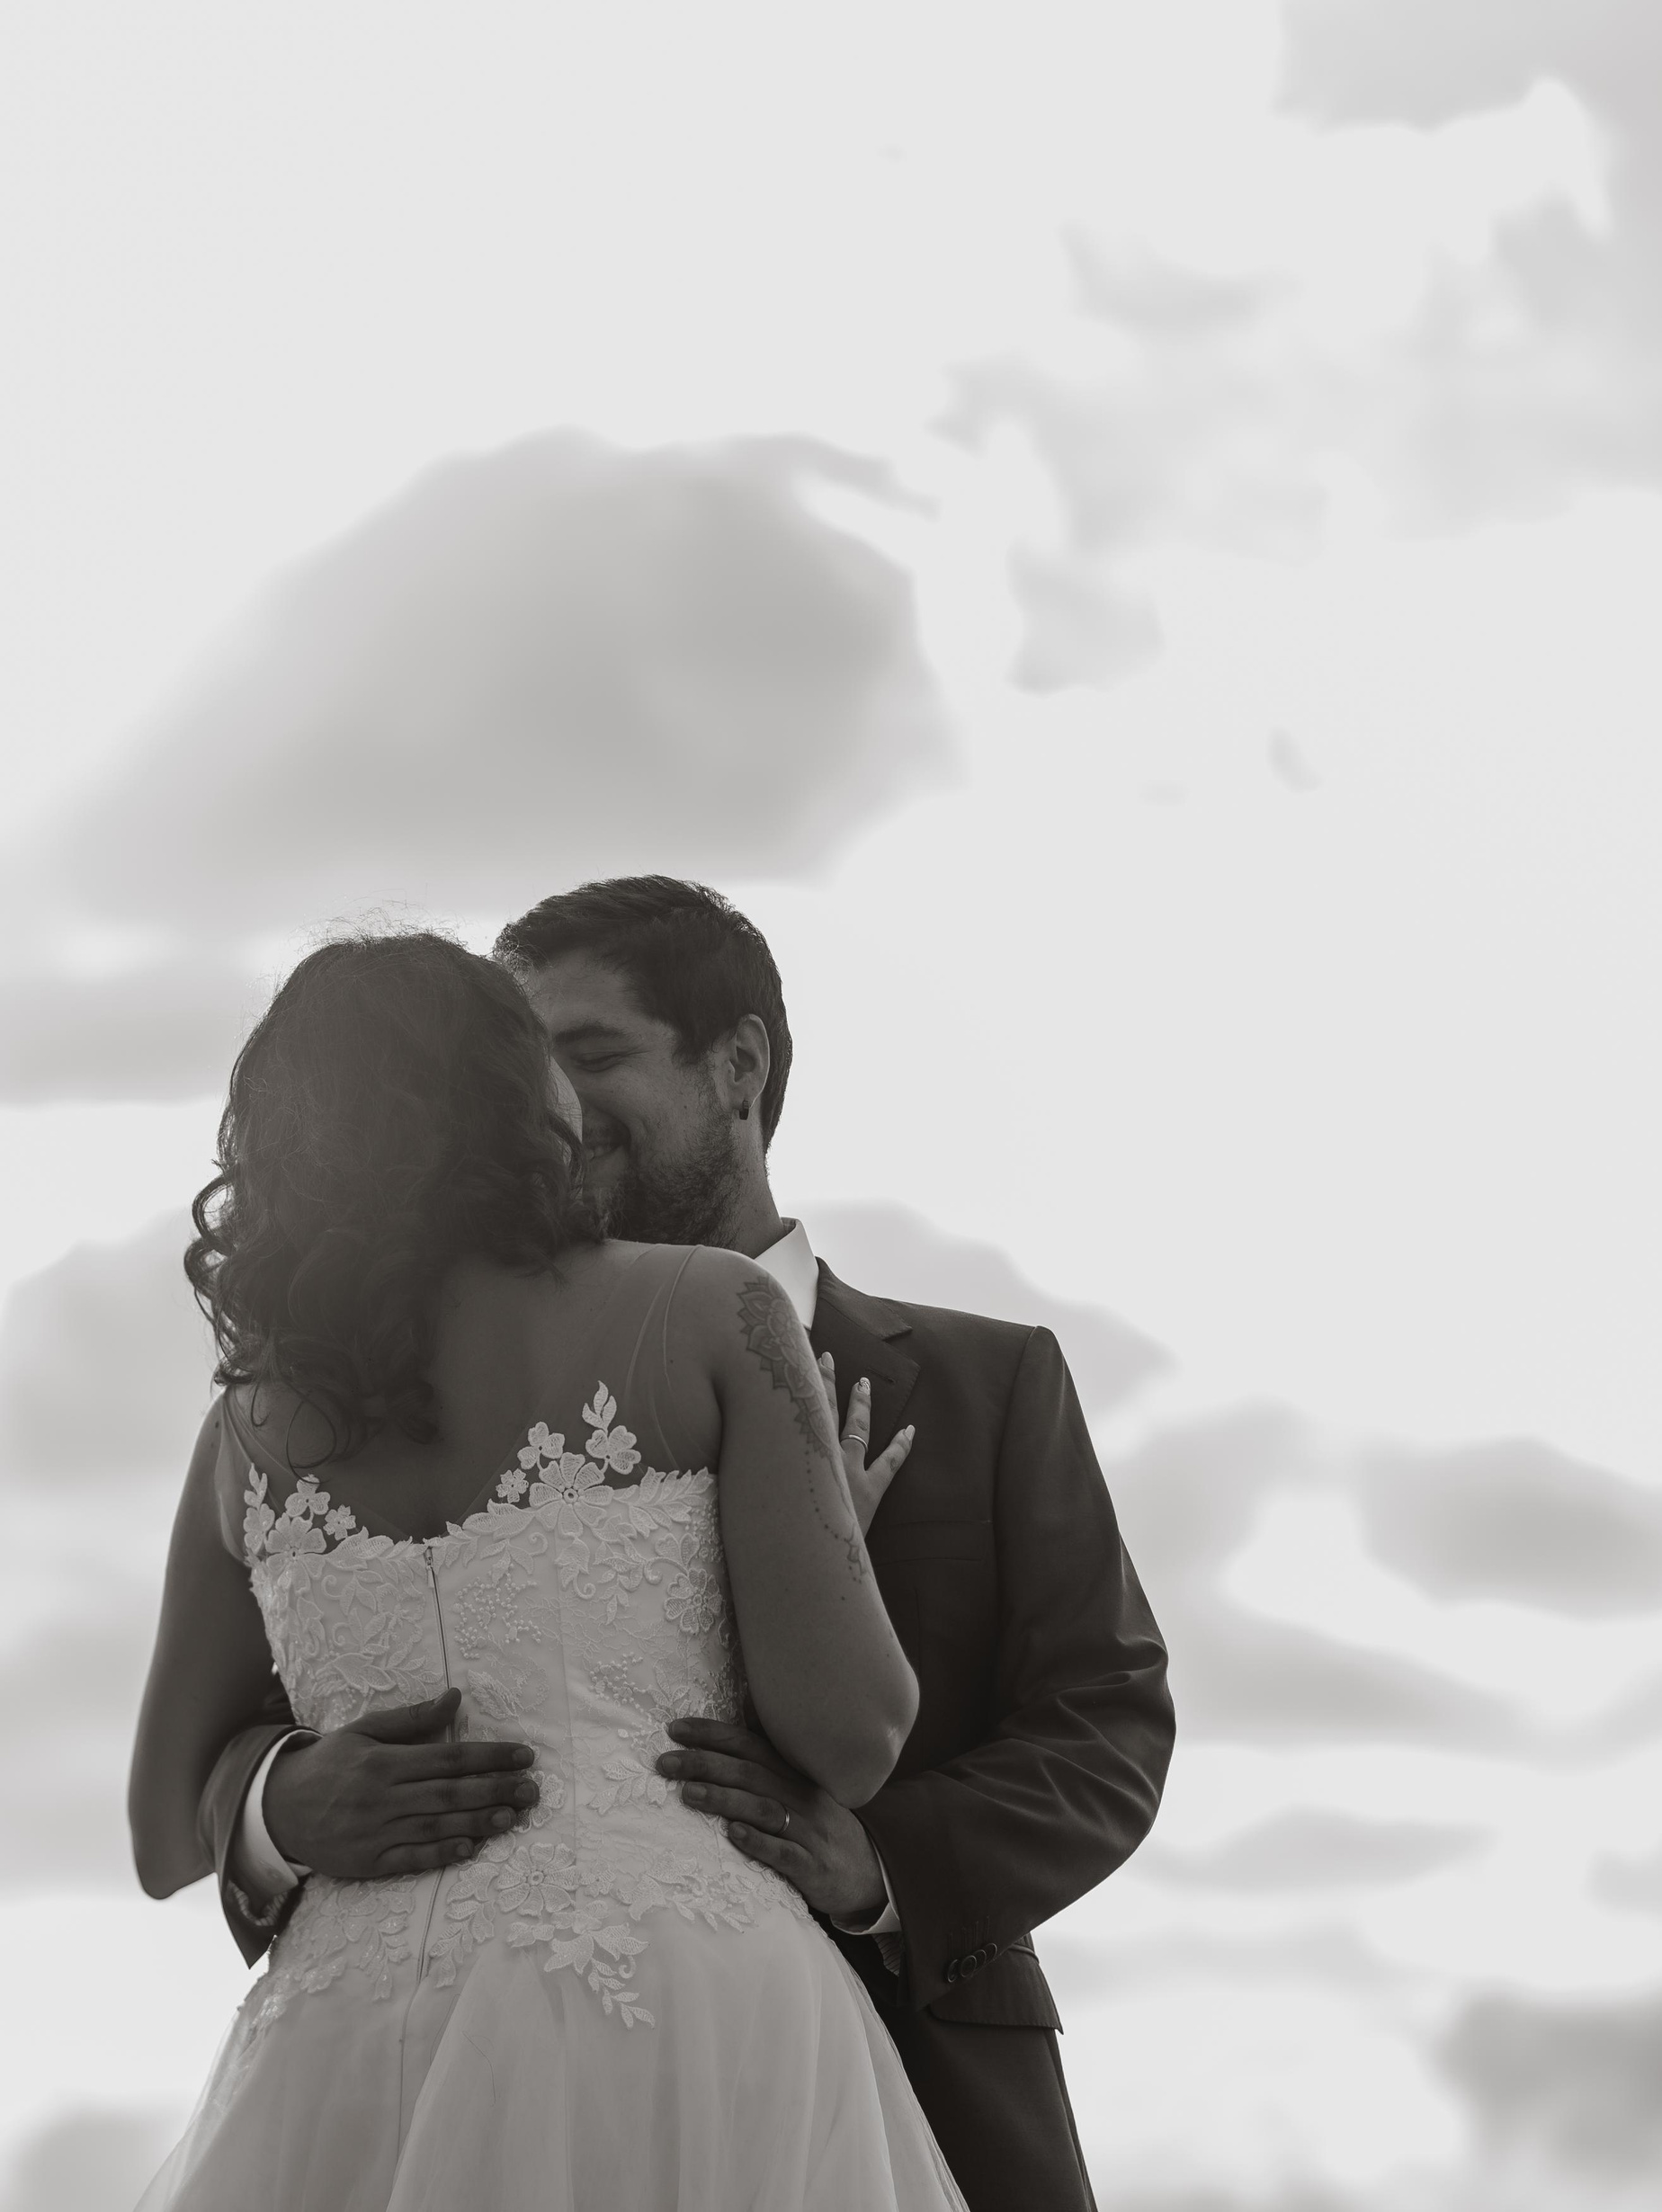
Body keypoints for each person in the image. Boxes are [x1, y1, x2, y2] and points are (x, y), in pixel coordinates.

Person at [189, 879, 1176, 2211]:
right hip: (471, 2098)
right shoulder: (363, 1401)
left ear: (741, 1066)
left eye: (595, 1052)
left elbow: (1106, 1721)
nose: (558, 1102)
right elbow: (245, 1716)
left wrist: (883, 1864)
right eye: (528, 1061)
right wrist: (278, 1805)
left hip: (918, 2083)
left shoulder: (986, 1383)